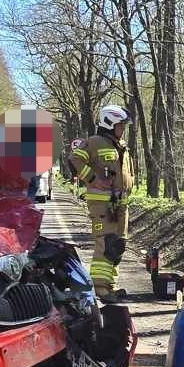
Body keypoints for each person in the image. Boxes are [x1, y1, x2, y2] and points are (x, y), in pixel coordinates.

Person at [70, 105, 134, 301]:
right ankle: (100, 288)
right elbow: (74, 160)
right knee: (106, 245)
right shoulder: (95, 142)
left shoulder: (120, 145)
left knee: (117, 246)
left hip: (120, 206)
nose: (122, 129)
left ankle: (109, 285)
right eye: (120, 125)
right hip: (103, 206)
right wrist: (92, 179)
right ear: (109, 123)